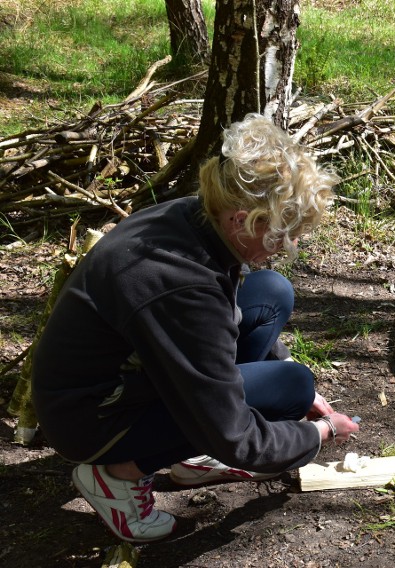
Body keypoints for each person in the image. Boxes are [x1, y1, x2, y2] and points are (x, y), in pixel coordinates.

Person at [31, 114, 359, 544]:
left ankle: (193, 456)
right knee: (292, 386)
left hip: (123, 373)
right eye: (282, 234)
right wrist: (318, 433)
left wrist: (278, 366)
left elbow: (222, 316)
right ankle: (118, 476)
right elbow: (238, 438)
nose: (286, 246)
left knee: (270, 292)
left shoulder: (196, 217)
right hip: (90, 417)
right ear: (242, 220)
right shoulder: (179, 285)